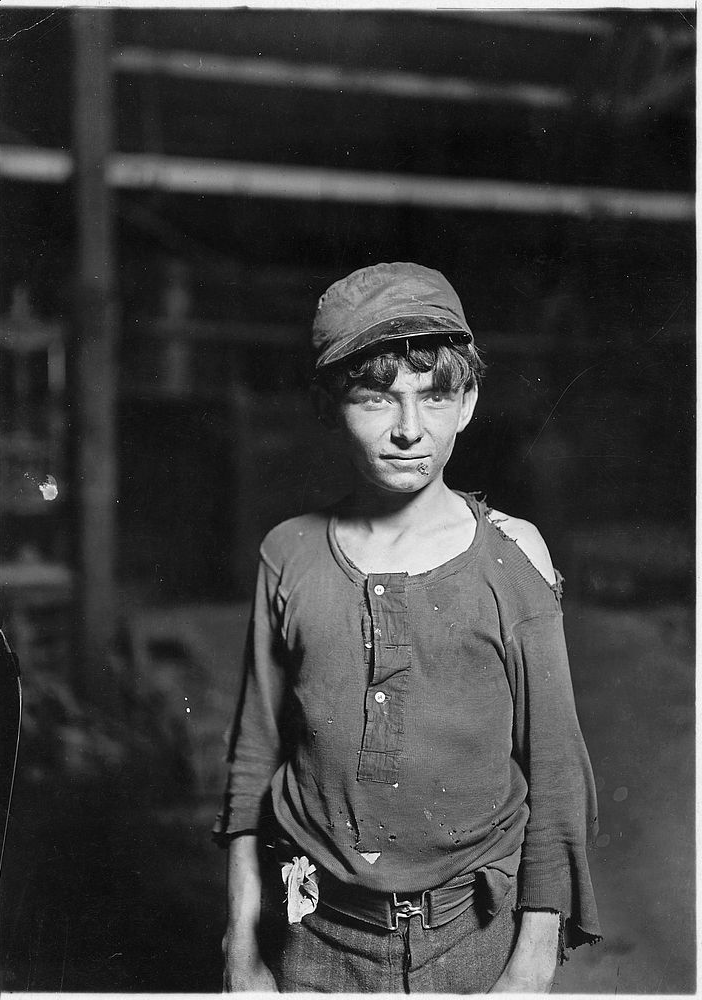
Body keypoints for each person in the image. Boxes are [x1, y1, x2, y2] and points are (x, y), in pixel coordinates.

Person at [213, 262, 601, 993]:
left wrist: (533, 958)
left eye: (434, 395)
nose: (408, 430)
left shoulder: (512, 559)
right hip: (314, 934)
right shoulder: (288, 553)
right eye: (376, 398)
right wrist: (241, 942)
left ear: (469, 403)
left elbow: (555, 770)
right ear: (329, 405)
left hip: (472, 934)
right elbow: (252, 757)